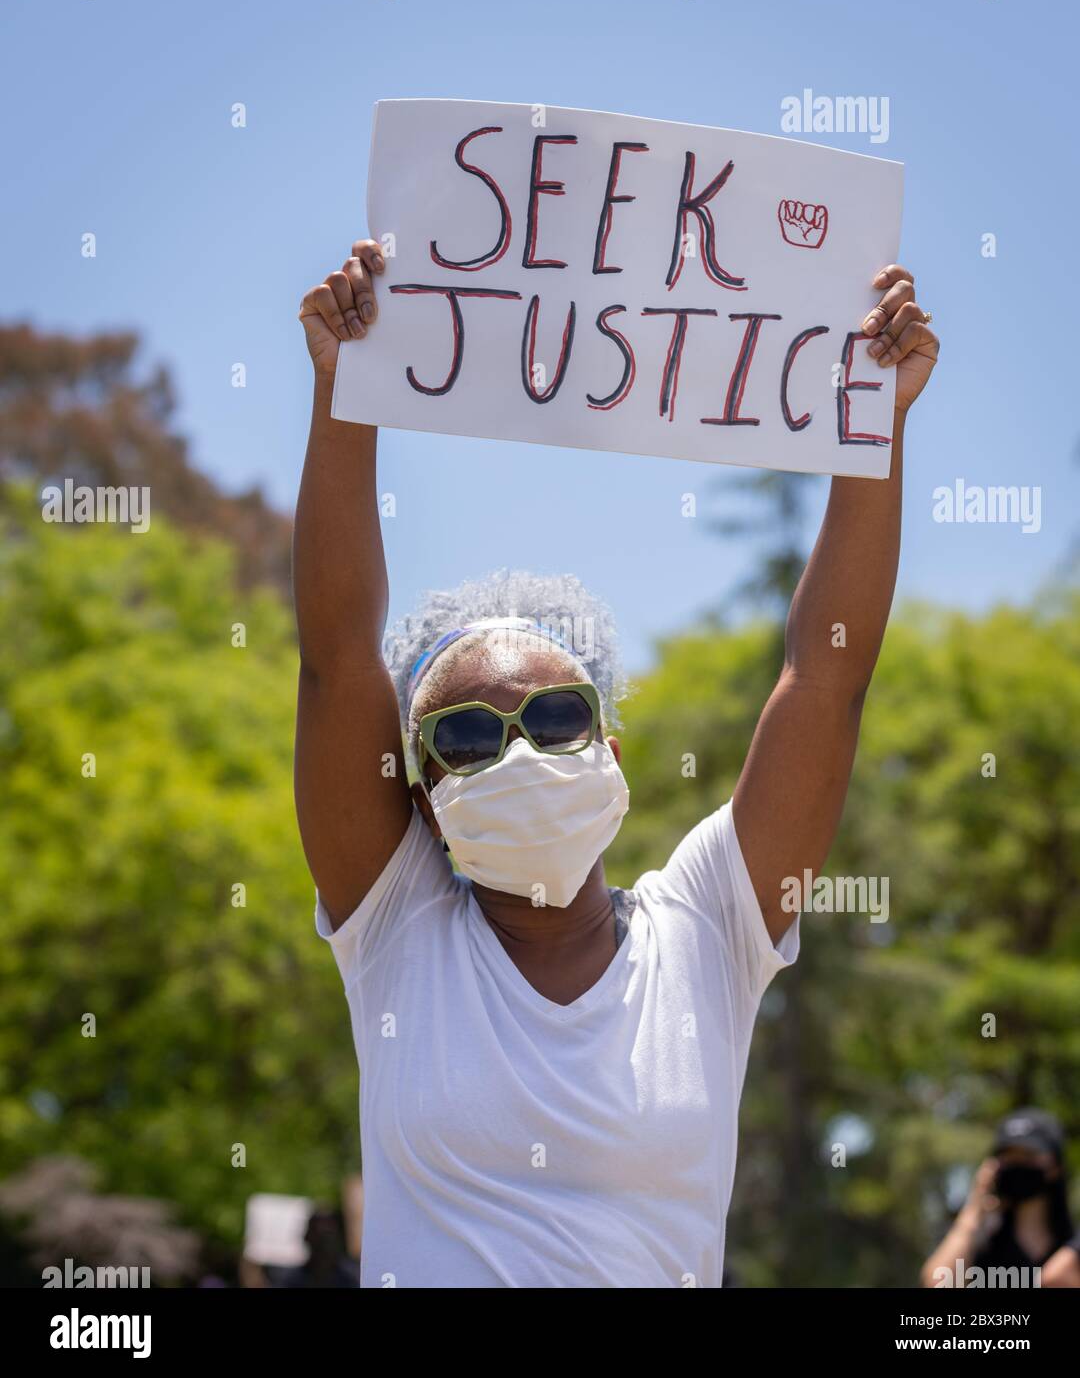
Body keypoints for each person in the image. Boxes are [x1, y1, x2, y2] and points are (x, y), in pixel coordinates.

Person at [293, 237, 939, 1288]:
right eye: (465, 738)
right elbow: (333, 661)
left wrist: (878, 420)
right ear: (422, 793)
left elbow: (826, 681)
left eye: (553, 718)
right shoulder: (396, 923)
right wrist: (346, 386)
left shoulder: (707, 928)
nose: (516, 751)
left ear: (610, 748)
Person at [921, 1109, 1076, 1288]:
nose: (1017, 1163)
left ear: (1055, 1167)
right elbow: (937, 1284)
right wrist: (973, 1209)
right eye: (1009, 1156)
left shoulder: (1071, 1249)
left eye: (1028, 1156)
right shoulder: (981, 1246)